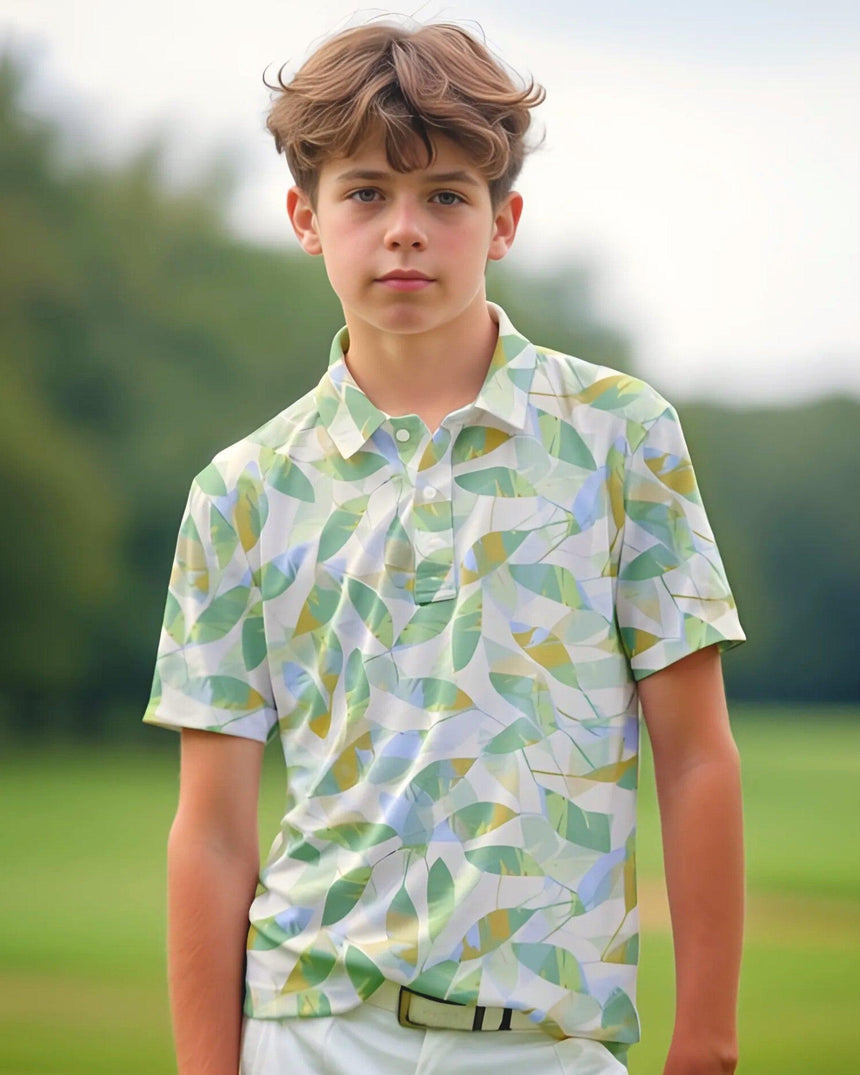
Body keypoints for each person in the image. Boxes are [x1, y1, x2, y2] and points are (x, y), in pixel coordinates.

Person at [143, 19, 746, 1075]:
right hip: (308, 1031)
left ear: (502, 220)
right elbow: (212, 832)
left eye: (446, 198)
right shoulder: (240, 493)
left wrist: (705, 1038)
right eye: (366, 192)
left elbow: (693, 755)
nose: (404, 230)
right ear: (305, 216)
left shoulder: (619, 435)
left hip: (545, 1043)